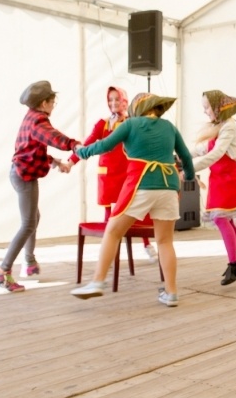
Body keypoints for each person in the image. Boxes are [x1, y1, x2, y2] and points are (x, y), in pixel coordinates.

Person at [70, 93, 195, 307]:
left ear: (137, 109)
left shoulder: (131, 124)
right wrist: (190, 177)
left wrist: (81, 152)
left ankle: (98, 282)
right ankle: (171, 293)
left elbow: (104, 146)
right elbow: (186, 157)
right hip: (169, 186)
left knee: (113, 231)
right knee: (165, 242)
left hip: (142, 184)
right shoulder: (169, 127)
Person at [0, 80, 79, 292]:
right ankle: (1, 273)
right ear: (44, 103)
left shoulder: (31, 118)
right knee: (28, 223)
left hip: (22, 173)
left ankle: (29, 263)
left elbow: (30, 150)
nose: (54, 106)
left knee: (33, 219)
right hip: (24, 176)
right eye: (53, 102)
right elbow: (54, 137)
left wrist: (54, 161)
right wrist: (74, 144)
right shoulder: (39, 121)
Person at [68, 86, 157, 262]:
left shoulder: (133, 122)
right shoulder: (102, 124)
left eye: (117, 99)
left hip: (128, 174)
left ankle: (147, 244)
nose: (114, 103)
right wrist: (70, 162)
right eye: (110, 100)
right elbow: (88, 144)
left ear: (125, 101)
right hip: (108, 176)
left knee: (135, 210)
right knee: (109, 216)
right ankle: (109, 254)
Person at [190, 90, 236, 286]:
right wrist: (182, 155)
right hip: (218, 181)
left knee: (221, 219)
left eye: (207, 107)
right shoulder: (220, 126)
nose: (205, 111)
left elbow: (216, 154)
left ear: (216, 107)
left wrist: (190, 166)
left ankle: (234, 264)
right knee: (227, 221)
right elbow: (202, 149)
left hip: (228, 180)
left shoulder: (229, 127)